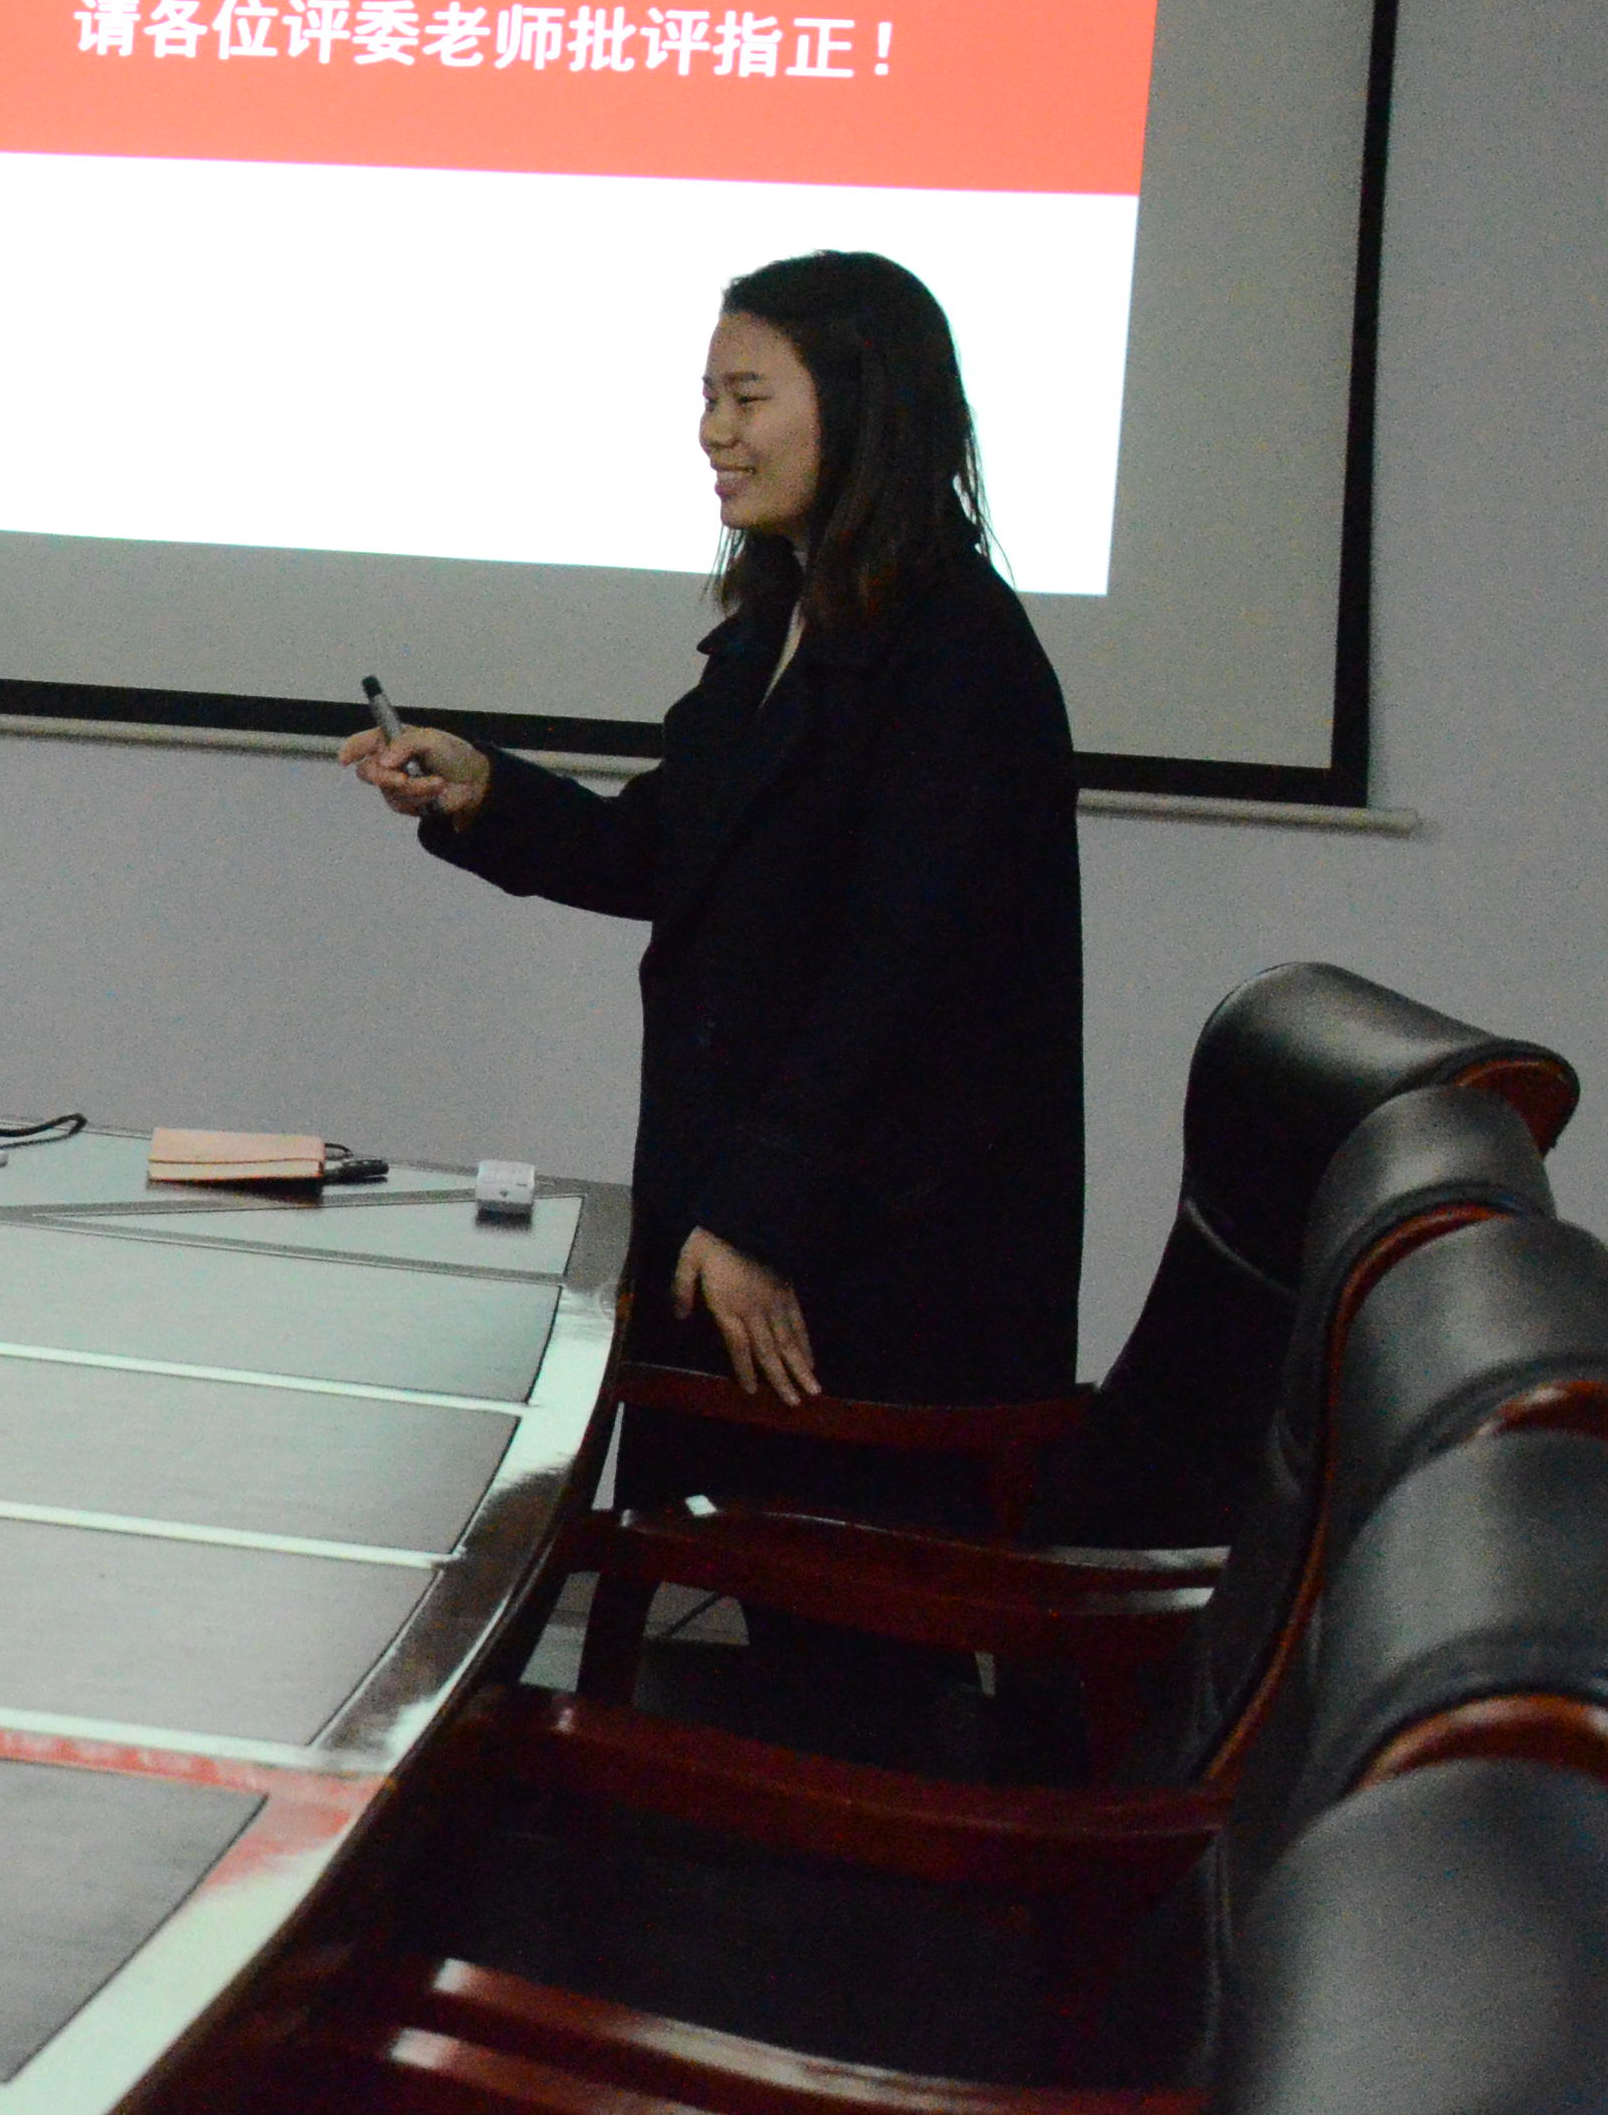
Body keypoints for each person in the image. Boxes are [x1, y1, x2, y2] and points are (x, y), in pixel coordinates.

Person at [343, 250, 1083, 1526]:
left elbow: (900, 984)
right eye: (705, 398)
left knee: (822, 1598)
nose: (711, 435)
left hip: (871, 1257)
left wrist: (755, 1218)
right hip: (750, 1212)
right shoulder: (782, 618)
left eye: (746, 399)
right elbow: (667, 848)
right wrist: (481, 791)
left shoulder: (958, 655)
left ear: (862, 410)